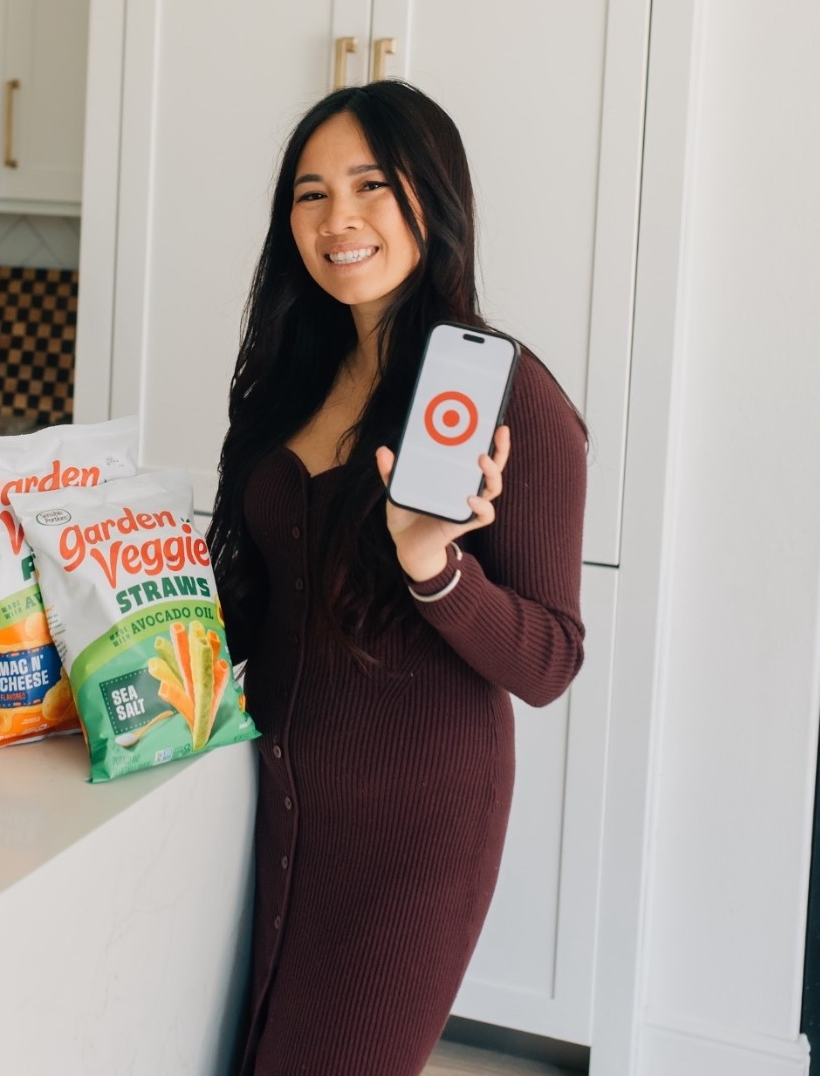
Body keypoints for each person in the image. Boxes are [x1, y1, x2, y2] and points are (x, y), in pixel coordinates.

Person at [208, 80, 588, 1076]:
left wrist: (431, 563)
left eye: (372, 185)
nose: (338, 219)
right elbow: (249, 601)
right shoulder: (288, 370)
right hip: (272, 801)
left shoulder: (509, 394)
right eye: (310, 192)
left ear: (437, 196)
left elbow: (551, 658)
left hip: (411, 827)